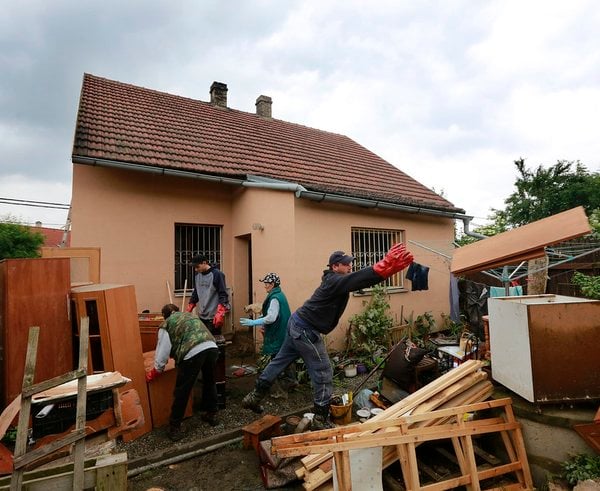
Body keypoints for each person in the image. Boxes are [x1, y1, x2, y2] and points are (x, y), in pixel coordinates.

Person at [241, 243, 414, 429]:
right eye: (346, 264)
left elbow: (359, 281)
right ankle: (320, 419)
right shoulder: (334, 280)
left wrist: (387, 271)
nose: (350, 266)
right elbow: (357, 279)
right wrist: (383, 265)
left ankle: (254, 397)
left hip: (297, 323)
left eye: (350, 263)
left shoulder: (336, 281)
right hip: (305, 329)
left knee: (279, 362)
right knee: (323, 371)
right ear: (335, 267)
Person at [146, 304, 220, 441]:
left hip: (193, 352)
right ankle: (212, 414)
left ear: (165, 316)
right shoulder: (189, 316)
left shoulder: (167, 324)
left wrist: (156, 370)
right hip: (211, 347)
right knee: (209, 381)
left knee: (183, 390)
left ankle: (174, 427)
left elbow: (163, 351)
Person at [239, 273, 295, 396]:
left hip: (278, 334)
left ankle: (281, 391)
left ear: (272, 284)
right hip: (284, 333)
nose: (265, 286)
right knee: (285, 359)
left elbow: (271, 318)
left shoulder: (275, 298)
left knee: (278, 361)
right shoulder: (279, 295)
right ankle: (291, 384)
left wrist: (254, 322)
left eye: (266, 284)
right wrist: (260, 318)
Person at [187, 254, 230, 335]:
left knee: (214, 341)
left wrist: (220, 312)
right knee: (203, 340)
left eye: (197, 267)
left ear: (204, 263)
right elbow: (196, 292)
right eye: (194, 267)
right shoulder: (197, 275)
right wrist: (191, 304)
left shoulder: (217, 274)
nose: (196, 269)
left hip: (213, 316)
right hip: (202, 314)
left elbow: (223, 294)